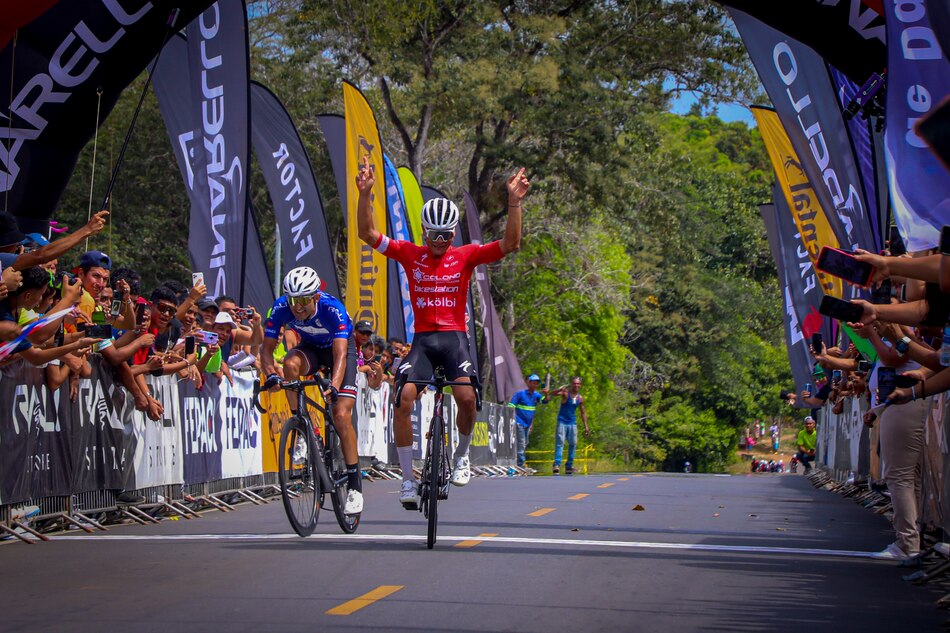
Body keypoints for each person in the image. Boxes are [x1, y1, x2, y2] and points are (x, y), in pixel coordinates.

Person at [356, 154, 529, 508]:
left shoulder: (464, 256)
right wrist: (365, 194)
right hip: (422, 341)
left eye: (446, 235)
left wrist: (514, 203)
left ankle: (462, 456)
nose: (439, 241)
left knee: (466, 399)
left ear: (453, 234)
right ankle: (407, 480)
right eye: (433, 235)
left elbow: (510, 244)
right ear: (423, 232)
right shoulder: (409, 253)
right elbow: (368, 234)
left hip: (454, 341)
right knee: (403, 399)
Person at [260, 266, 363, 515]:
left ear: (316, 296)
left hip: (340, 351)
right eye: (294, 300)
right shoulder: (281, 307)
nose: (298, 307)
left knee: (340, 415)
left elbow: (340, 356)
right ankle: (303, 426)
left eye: (304, 300)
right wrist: (272, 376)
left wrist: (334, 386)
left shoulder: (332, 309)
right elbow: (265, 350)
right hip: (312, 349)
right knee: (290, 364)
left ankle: (354, 486)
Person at [508, 373, 550, 468]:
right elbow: (510, 406)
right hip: (519, 423)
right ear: (528, 383)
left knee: (525, 443)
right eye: (534, 383)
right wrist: (512, 420)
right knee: (521, 443)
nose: (535, 385)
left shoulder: (536, 395)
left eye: (537, 383)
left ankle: (519, 462)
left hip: (528, 424)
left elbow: (545, 401)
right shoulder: (520, 394)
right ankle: (521, 465)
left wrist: (547, 394)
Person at [552, 376, 590, 474]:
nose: (576, 385)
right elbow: (553, 394)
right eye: (574, 383)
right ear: (571, 384)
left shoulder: (580, 398)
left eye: (578, 383)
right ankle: (556, 464)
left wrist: (586, 426)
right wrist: (559, 390)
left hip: (572, 422)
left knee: (573, 443)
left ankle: (569, 465)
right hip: (562, 421)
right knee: (560, 443)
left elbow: (583, 412)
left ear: (580, 385)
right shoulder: (566, 394)